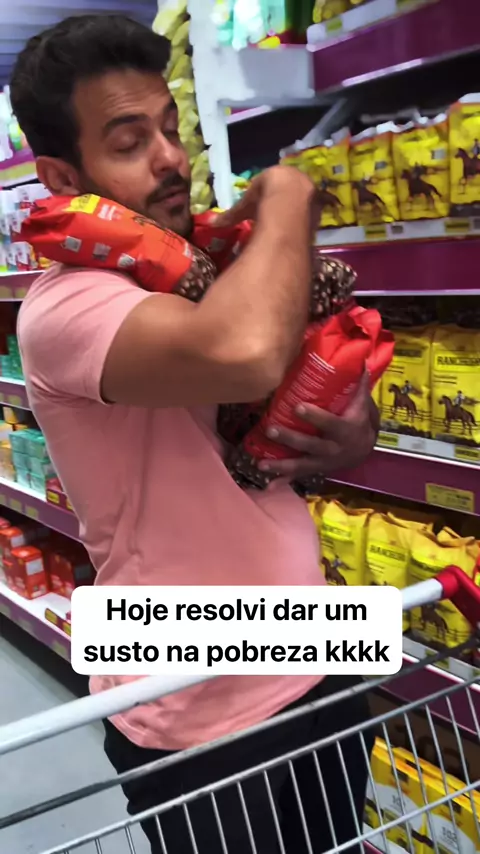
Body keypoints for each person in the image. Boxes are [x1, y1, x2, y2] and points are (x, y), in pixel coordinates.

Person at [11, 15, 378, 854]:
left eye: (170, 130)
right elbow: (245, 354)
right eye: (129, 142)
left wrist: (352, 437)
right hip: (197, 699)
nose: (170, 158)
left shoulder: (197, 269)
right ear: (62, 177)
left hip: (316, 644)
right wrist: (286, 196)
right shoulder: (67, 306)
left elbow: (271, 411)